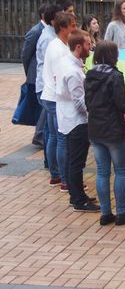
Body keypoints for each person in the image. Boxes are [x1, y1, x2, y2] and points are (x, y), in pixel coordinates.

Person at [84, 41, 125, 227]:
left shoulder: (89, 75)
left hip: (95, 129)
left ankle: (106, 213)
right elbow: (122, 104)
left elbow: (87, 102)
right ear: (112, 55)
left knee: (102, 172)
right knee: (121, 171)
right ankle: (121, 212)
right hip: (113, 129)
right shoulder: (115, 76)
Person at [56, 29, 99, 212]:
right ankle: (78, 199)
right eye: (88, 45)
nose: (91, 47)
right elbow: (80, 102)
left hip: (68, 117)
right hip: (77, 121)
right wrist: (94, 112)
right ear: (79, 47)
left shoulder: (69, 63)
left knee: (75, 161)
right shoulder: (73, 72)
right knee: (77, 162)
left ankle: (78, 195)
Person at [41, 11, 77, 192]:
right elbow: (60, 76)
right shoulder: (58, 49)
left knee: (54, 137)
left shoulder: (59, 44)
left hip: (50, 96)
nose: (74, 29)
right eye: (72, 26)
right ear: (63, 27)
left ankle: (55, 175)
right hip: (55, 98)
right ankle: (64, 180)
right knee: (62, 138)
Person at [35, 3, 63, 177]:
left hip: (48, 89)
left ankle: (54, 170)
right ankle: (56, 171)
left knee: (52, 133)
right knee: (56, 135)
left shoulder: (52, 37)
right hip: (49, 90)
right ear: (53, 21)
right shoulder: (49, 40)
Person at [22, 3, 48, 148]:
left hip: (42, 76)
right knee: (42, 107)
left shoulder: (47, 31)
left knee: (42, 107)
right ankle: (39, 134)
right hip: (36, 75)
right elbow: (25, 55)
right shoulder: (36, 31)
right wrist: (29, 74)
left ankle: (40, 133)